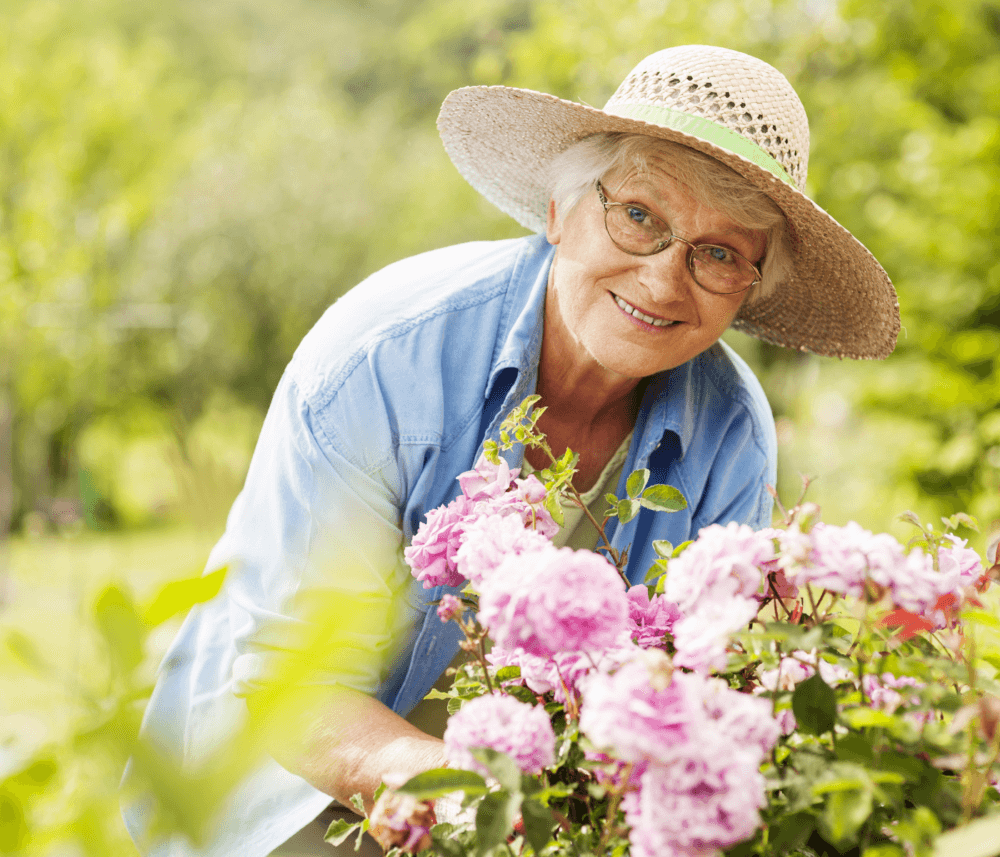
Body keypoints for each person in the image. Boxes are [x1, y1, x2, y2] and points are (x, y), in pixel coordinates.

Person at [124, 45, 899, 856]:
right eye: (639, 215)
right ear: (561, 209)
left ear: (751, 286)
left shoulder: (732, 433)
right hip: (286, 790)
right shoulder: (387, 360)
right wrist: (474, 803)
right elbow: (291, 687)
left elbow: (692, 696)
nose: (666, 280)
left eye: (719, 253)